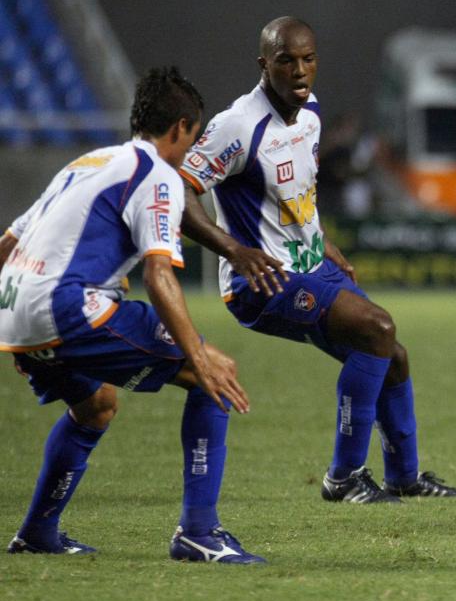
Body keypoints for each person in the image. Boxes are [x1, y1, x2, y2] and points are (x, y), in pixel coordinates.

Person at [177, 16, 456, 503]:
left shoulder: (310, 113)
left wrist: (324, 239)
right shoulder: (237, 126)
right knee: (377, 329)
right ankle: (344, 478)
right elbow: (180, 190)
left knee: (392, 356)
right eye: (285, 61)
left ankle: (404, 477)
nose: (299, 71)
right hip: (264, 282)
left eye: (308, 59)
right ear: (263, 65)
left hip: (313, 264)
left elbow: (301, 194)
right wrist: (233, 249)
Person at [1, 67, 264, 563]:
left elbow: (10, 241)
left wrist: (18, 322)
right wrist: (197, 355)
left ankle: (38, 533)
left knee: (96, 405)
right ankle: (199, 533)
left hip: (13, 308)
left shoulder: (89, 161)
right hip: (63, 308)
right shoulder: (158, 175)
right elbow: (159, 275)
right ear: (181, 128)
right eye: (193, 135)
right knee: (216, 374)